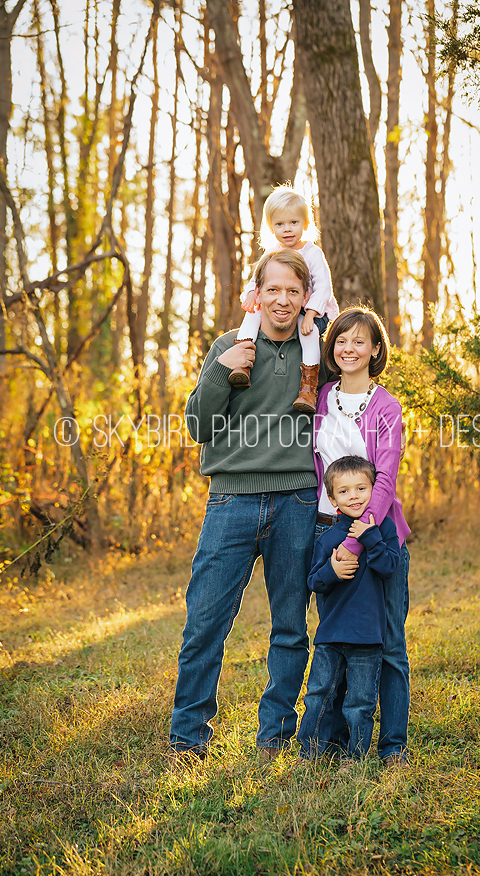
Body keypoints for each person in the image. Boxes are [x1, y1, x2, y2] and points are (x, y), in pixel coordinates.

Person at [170, 247, 320, 761]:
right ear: (257, 294)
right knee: (205, 621)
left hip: (297, 501)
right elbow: (198, 426)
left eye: (293, 291)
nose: (282, 300)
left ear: (305, 299)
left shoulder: (315, 353)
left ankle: (275, 734)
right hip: (231, 500)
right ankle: (189, 738)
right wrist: (220, 370)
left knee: (290, 626)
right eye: (273, 289)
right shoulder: (229, 345)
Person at [312, 306, 412, 767]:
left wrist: (354, 542)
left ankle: (392, 747)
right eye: (340, 341)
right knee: (335, 641)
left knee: (388, 644)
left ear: (375, 349)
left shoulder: (386, 409)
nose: (348, 349)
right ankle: (330, 744)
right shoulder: (320, 398)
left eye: (359, 341)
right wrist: (330, 546)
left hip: (377, 536)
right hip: (329, 532)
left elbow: (386, 481)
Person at [297, 456, 400, 759]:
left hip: (368, 636)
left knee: (359, 702)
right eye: (344, 492)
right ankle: (310, 754)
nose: (353, 496)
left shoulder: (385, 529)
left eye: (360, 488)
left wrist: (370, 538)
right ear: (332, 499)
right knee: (319, 696)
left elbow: (389, 567)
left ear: (374, 490)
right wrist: (331, 570)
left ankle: (354, 759)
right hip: (330, 634)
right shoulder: (329, 538)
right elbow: (314, 581)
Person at [229, 186, 339, 414]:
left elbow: (324, 288)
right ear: (271, 227)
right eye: (279, 224)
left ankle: (308, 387)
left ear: (305, 224)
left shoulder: (312, 253)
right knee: (252, 313)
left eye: (293, 223)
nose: (287, 230)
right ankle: (242, 362)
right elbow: (257, 279)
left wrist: (310, 314)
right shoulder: (272, 252)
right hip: (282, 308)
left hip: (311, 311)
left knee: (306, 333)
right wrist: (251, 293)